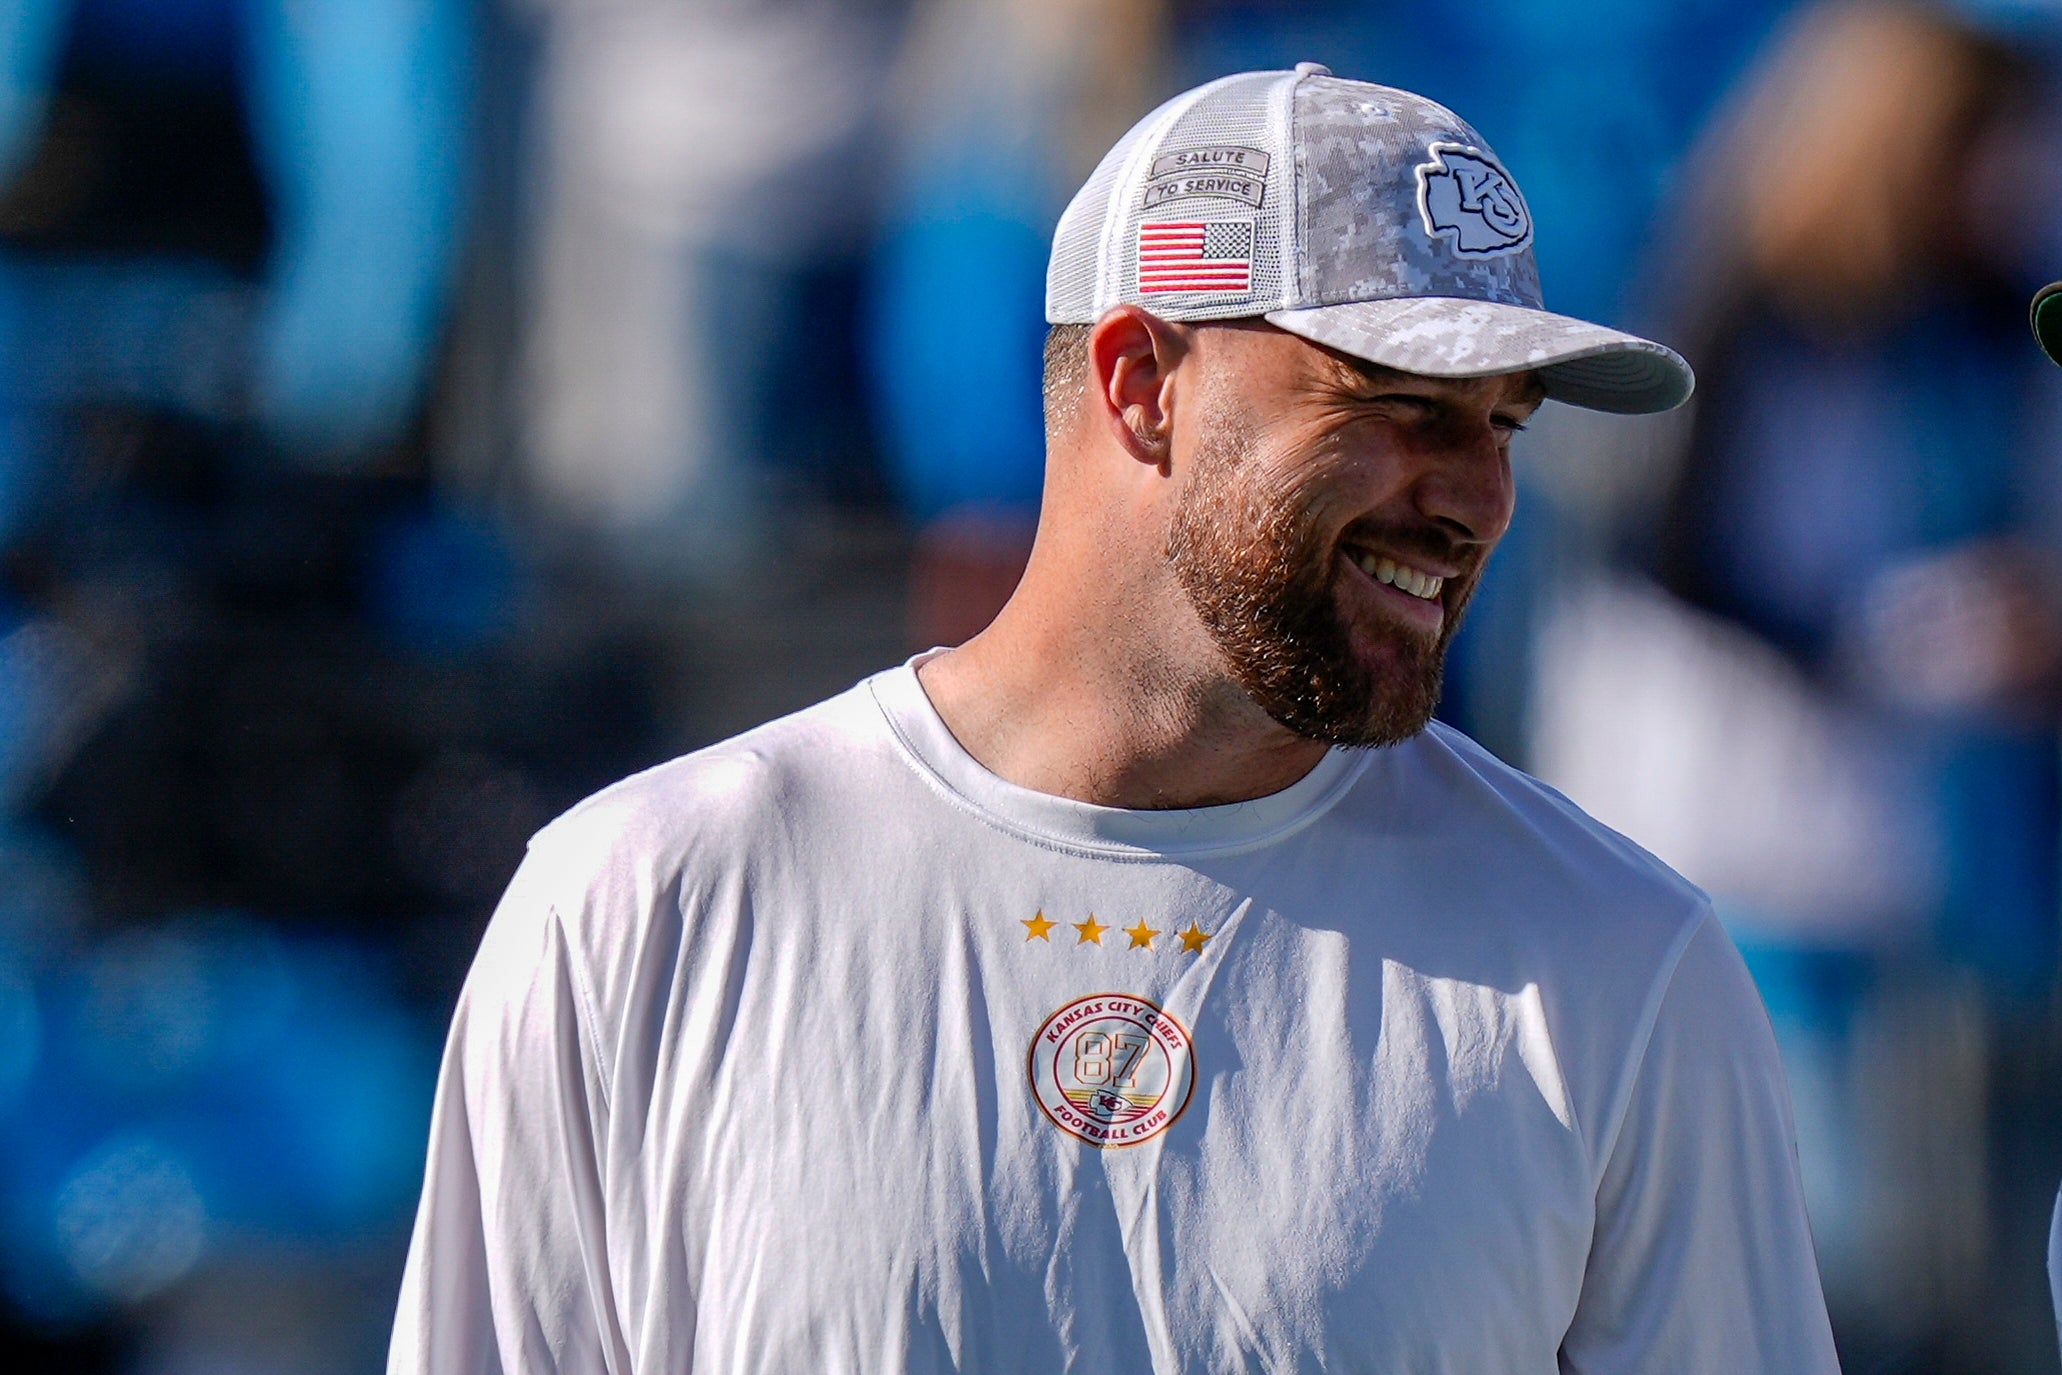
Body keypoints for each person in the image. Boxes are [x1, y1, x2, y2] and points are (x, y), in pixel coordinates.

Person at [389, 66, 1838, 1372]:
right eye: (1399, 404)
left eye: (1502, 424)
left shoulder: (1616, 964)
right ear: (1141, 384)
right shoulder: (642, 905)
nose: (1472, 497)